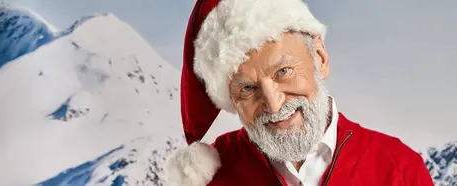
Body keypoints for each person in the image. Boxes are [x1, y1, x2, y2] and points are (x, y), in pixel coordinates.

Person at [165, 0, 434, 185]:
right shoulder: (212, 179)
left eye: (283, 72)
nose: (272, 104)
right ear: (230, 99)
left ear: (320, 57)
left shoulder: (400, 170)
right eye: (247, 88)